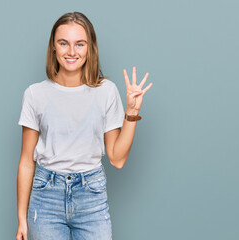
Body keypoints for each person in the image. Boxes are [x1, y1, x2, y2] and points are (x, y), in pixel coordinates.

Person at [15, 11, 153, 240]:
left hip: (91, 196)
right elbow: (26, 161)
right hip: (46, 197)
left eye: (79, 44)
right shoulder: (35, 94)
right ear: (53, 47)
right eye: (63, 43)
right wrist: (21, 218)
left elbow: (117, 159)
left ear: (90, 48)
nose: (71, 52)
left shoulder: (106, 91)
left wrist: (132, 113)